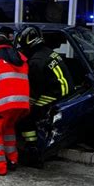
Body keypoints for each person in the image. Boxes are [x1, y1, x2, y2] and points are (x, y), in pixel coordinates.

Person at [16, 25, 74, 168]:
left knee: (26, 118)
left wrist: (25, 107)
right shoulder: (48, 52)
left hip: (54, 95)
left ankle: (32, 150)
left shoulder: (35, 61)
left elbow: (34, 90)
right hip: (67, 93)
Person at [0, 26, 30, 176]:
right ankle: (12, 161)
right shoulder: (21, 57)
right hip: (22, 103)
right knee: (8, 130)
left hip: (4, 103)